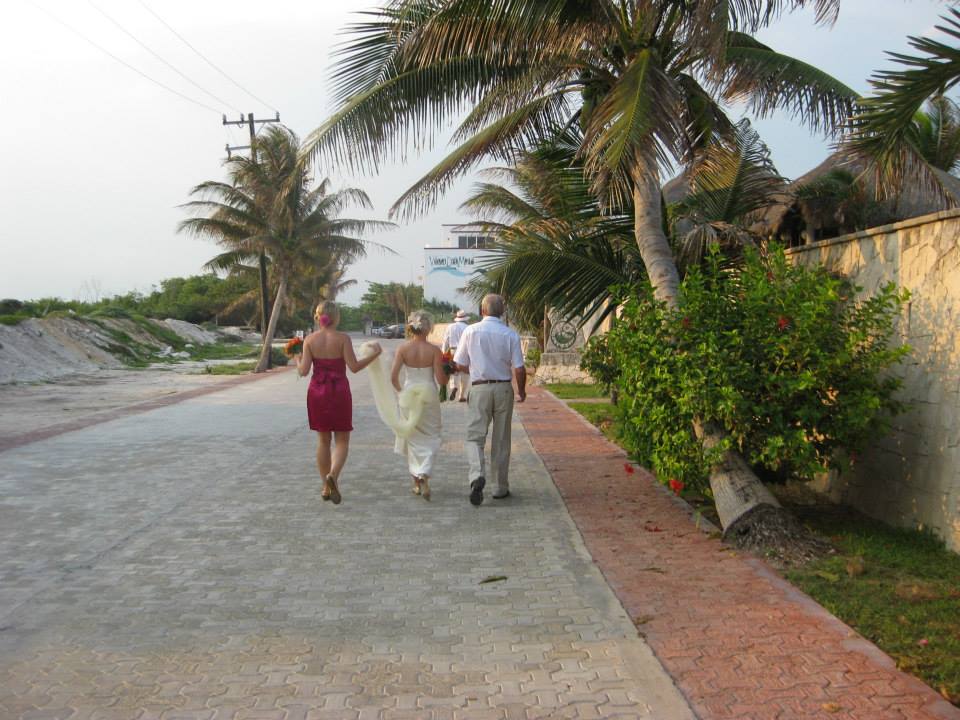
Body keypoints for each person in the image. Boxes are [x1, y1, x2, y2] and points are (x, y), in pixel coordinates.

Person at [298, 300, 381, 504]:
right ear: (336, 317)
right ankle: (333, 476)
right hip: (339, 392)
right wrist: (374, 355)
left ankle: (326, 488)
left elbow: (303, 371)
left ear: (318, 317)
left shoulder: (309, 340)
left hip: (317, 392)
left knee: (323, 441)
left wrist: (296, 359)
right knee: (342, 441)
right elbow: (354, 367)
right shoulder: (343, 338)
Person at [453, 294, 526, 506]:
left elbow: (459, 363)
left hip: (479, 388)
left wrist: (476, 369)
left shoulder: (471, 331)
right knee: (501, 438)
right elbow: (519, 369)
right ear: (502, 311)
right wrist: (521, 391)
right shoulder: (510, 334)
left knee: (475, 436)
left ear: (482, 311)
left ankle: (477, 476)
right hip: (503, 388)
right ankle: (499, 487)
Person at [390, 310, 446, 500]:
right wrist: (449, 372)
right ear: (429, 328)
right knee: (431, 436)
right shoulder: (434, 351)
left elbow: (393, 377)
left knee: (412, 439)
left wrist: (402, 393)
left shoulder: (403, 349)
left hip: (409, 395)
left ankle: (417, 479)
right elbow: (441, 380)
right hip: (428, 395)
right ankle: (424, 473)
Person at [441, 309, 471, 402]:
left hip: (453, 351)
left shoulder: (450, 327)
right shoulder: (468, 327)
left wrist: (444, 352)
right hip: (465, 351)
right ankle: (461, 395)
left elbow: (446, 340)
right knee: (465, 373)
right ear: (465, 318)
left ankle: (454, 387)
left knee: (454, 371)